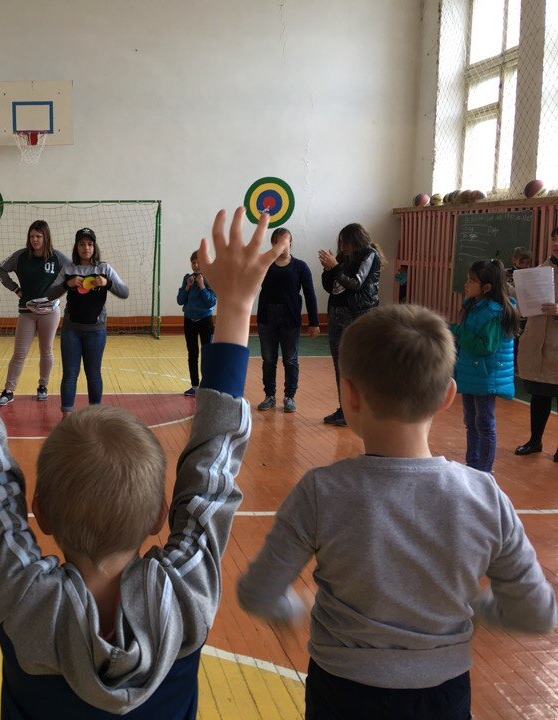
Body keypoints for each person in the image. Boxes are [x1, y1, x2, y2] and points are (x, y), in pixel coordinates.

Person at [0, 203, 285, 717]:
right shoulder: (186, 596)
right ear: (159, 515)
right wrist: (238, 305)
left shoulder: (25, 600)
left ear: (41, 511)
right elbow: (214, 467)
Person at [238, 303, 556, 720]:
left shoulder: (321, 491)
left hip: (341, 693)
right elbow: (536, 613)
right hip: (443, 696)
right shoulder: (484, 496)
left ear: (349, 395)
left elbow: (258, 594)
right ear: (447, 396)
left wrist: (296, 608)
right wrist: (480, 608)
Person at [47, 228, 128, 417]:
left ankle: (95, 414)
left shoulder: (104, 269)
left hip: (96, 331)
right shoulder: (68, 269)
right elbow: (50, 294)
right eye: (82, 244)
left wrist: (107, 283)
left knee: (93, 373)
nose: (86, 248)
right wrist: (67, 284)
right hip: (71, 331)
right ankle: (67, 416)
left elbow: (124, 292)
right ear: (76, 247)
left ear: (95, 246)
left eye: (90, 244)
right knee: (70, 374)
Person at [450, 260, 519, 472]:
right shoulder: (473, 305)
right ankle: (472, 466)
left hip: (486, 376)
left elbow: (484, 347)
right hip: (473, 374)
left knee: (484, 424)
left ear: (486, 287)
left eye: (472, 281)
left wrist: (457, 332)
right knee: (471, 422)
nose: (466, 284)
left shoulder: (495, 312)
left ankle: (484, 471)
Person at [0, 220, 68, 405]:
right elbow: (0, 270)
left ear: (46, 237)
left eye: (38, 236)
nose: (35, 240)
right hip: (26, 312)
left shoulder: (56, 257)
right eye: (32, 236)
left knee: (46, 350)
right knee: (19, 353)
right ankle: (8, 391)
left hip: (50, 312)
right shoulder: (20, 256)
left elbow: (73, 271)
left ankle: (43, 386)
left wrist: (59, 290)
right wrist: (15, 289)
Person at [318, 223, 383, 426]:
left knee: (357, 365)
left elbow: (355, 283)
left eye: (345, 242)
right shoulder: (342, 256)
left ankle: (361, 409)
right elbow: (330, 287)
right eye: (341, 242)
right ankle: (344, 409)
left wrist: (335, 267)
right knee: (339, 364)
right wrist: (328, 269)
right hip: (336, 314)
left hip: (358, 315)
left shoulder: (369, 255)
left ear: (356, 240)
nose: (343, 246)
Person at [256, 227, 319, 413]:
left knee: (290, 359)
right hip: (267, 318)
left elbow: (310, 294)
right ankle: (269, 396)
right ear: (273, 244)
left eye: (285, 241)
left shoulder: (300, 267)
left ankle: (289, 397)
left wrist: (314, 322)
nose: (282, 245)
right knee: (268, 359)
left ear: (290, 243)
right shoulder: (265, 265)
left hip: (290, 319)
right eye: (278, 241)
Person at [516, 227, 558, 460]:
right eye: (554, 239)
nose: (556, 244)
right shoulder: (538, 272)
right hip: (538, 342)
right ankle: (535, 441)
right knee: (540, 395)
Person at [177, 249, 216, 397]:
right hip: (189, 321)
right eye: (193, 262)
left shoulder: (210, 278)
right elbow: (180, 300)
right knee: (192, 353)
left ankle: (207, 386)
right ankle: (194, 386)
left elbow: (211, 302)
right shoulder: (187, 278)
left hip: (205, 321)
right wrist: (187, 287)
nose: (196, 265)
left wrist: (202, 286)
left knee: (207, 354)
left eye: (199, 262)